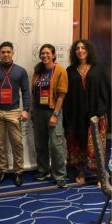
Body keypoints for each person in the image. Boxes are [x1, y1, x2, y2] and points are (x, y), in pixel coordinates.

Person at [63, 39, 111, 185]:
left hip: (96, 116)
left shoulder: (98, 69)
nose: (80, 50)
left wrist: (100, 112)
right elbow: (67, 96)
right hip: (76, 116)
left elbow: (106, 92)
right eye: (77, 48)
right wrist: (69, 116)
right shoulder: (70, 71)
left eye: (83, 48)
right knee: (78, 145)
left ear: (88, 50)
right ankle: (81, 172)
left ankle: (99, 176)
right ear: (74, 52)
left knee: (96, 146)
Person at [0, 41, 30, 186]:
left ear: (13, 53)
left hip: (14, 112)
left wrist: (26, 110)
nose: (5, 54)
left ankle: (18, 171)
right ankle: (3, 170)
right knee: (0, 144)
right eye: (3, 52)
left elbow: (25, 91)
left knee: (17, 143)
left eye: (8, 52)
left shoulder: (21, 71)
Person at [31, 44, 68, 188]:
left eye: (48, 53)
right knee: (40, 143)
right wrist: (33, 111)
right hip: (39, 111)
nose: (45, 55)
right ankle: (43, 170)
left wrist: (55, 115)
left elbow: (61, 95)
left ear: (53, 55)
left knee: (55, 144)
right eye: (42, 53)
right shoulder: (38, 70)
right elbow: (34, 92)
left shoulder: (60, 70)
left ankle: (59, 175)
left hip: (53, 111)